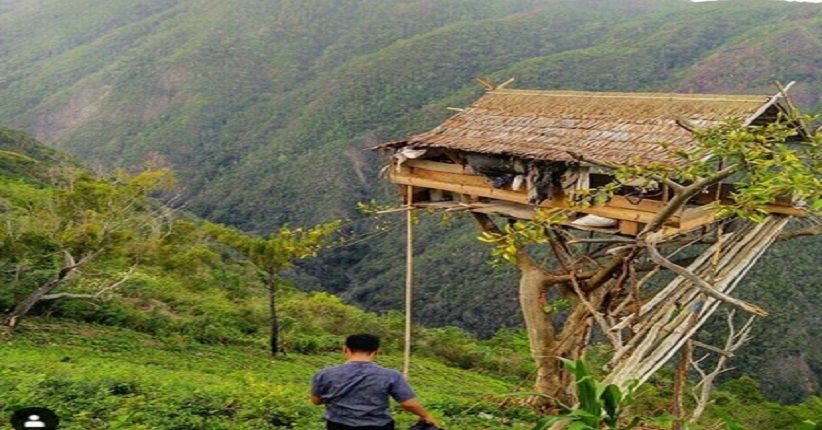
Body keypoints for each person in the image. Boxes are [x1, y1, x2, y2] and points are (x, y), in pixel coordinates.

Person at [310, 334, 439, 430]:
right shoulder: (391, 375)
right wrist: (427, 416)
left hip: (338, 425)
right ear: (376, 352)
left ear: (345, 349)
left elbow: (316, 401)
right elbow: (408, 404)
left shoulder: (324, 374)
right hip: (378, 426)